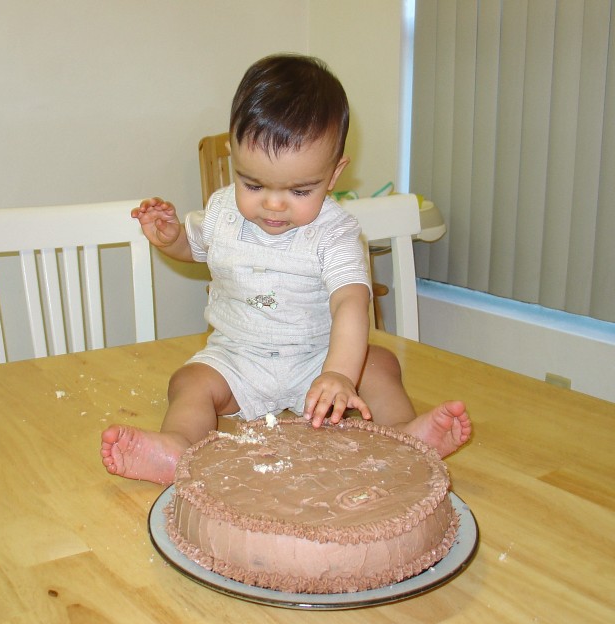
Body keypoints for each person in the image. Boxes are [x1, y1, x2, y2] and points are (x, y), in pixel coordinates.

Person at [101, 53, 471, 485]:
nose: (273, 204)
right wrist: (170, 240)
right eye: (253, 184)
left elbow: (352, 301)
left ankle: (404, 437)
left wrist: (337, 373)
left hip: (319, 359)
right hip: (236, 360)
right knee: (188, 381)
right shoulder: (221, 211)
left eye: (299, 190)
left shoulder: (336, 233)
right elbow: (196, 247)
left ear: (333, 175)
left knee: (381, 365)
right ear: (233, 157)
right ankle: (178, 449)